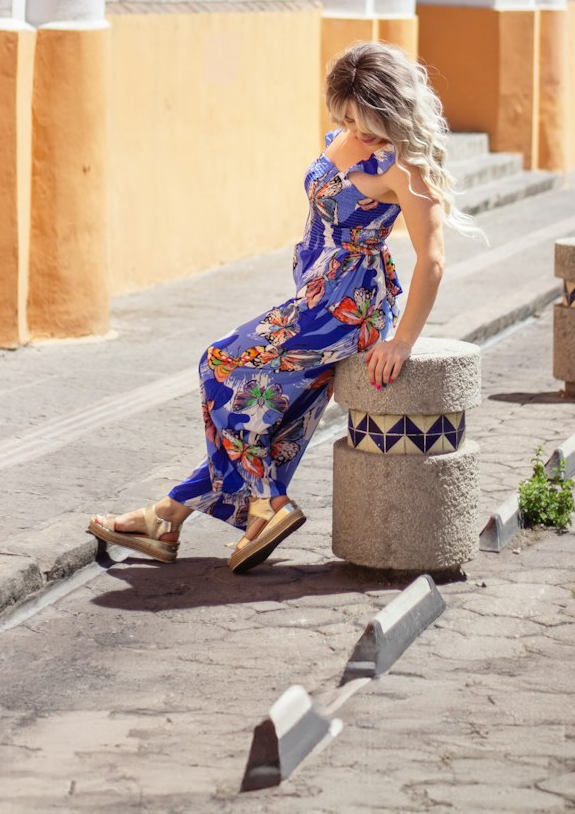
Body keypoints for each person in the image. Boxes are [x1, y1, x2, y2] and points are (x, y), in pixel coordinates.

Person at [88, 39, 478, 575]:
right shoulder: (347, 132)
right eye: (344, 116)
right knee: (267, 415)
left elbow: (431, 261)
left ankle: (267, 504)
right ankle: (167, 517)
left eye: (365, 121)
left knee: (219, 366)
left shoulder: (406, 169)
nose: (353, 129)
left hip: (348, 306)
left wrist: (401, 339)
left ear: (393, 111)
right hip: (315, 294)